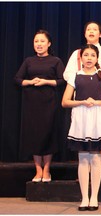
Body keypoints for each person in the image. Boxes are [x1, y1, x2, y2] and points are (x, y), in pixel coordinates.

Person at [62, 44, 101, 211]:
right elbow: (65, 101)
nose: (89, 58)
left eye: (92, 55)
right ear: (81, 58)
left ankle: (94, 197)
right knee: (83, 159)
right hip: (81, 120)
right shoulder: (75, 77)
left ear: (97, 58)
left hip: (98, 120)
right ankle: (84, 197)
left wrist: (97, 102)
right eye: (86, 55)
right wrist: (82, 102)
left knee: (95, 159)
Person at [64, 21, 101, 182]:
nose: (91, 31)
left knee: (100, 132)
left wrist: (98, 83)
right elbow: (68, 73)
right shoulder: (76, 53)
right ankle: (84, 172)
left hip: (100, 98)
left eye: (95, 29)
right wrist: (81, 80)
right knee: (83, 134)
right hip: (81, 97)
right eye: (88, 29)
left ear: (100, 34)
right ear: (85, 33)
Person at [14, 29, 65, 183]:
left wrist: (46, 82)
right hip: (31, 103)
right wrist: (30, 82)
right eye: (36, 41)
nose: (39, 44)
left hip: (49, 103)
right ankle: (38, 170)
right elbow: (17, 79)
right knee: (34, 136)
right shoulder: (29, 61)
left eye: (42, 41)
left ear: (49, 44)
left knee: (48, 135)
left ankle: (47, 170)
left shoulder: (55, 61)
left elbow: (62, 80)